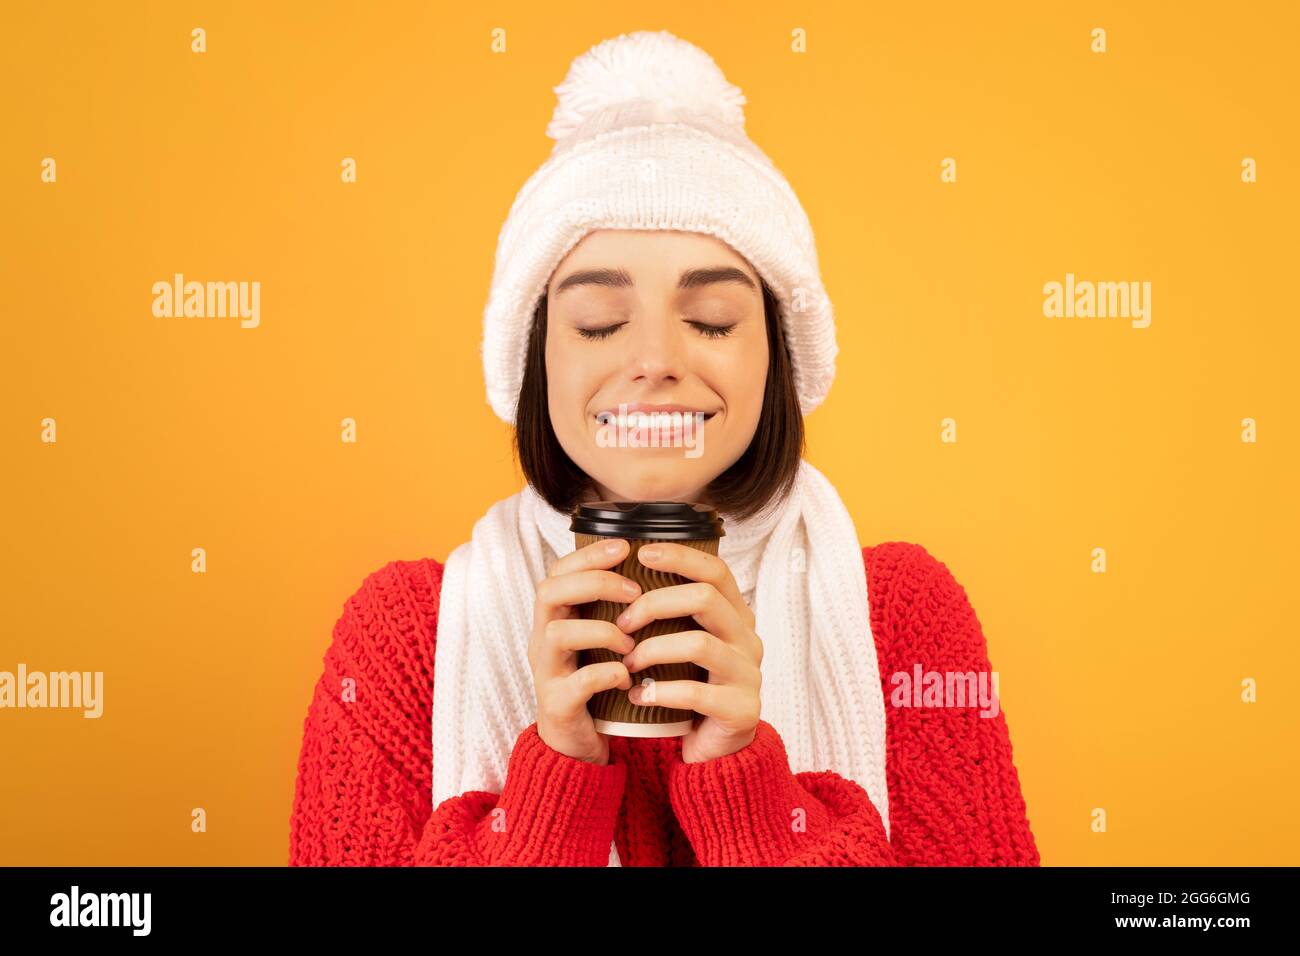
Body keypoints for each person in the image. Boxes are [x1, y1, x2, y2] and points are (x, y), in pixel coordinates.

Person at [288, 29, 1040, 867]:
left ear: (776, 356)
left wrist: (749, 797)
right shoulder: (406, 639)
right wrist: (556, 782)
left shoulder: (901, 618)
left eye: (712, 319)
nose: (656, 361)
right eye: (598, 323)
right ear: (537, 361)